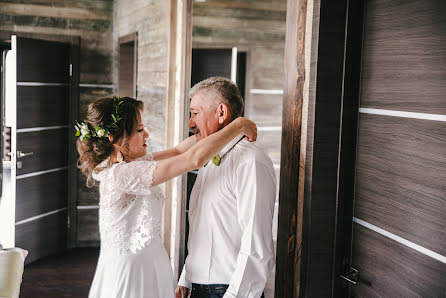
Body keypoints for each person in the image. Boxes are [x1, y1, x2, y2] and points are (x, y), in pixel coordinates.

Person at [76, 95, 257, 298]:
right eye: (139, 130)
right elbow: (193, 159)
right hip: (133, 274)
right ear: (116, 140)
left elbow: (178, 150)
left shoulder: (130, 165)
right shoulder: (121, 175)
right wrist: (238, 125)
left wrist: (215, 128)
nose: (147, 134)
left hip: (150, 264)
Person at [176, 77, 276, 298]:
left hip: (229, 290)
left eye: (195, 113)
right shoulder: (209, 157)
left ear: (221, 113)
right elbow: (205, 228)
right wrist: (187, 276)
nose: (190, 123)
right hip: (199, 287)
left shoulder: (251, 161)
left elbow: (256, 246)